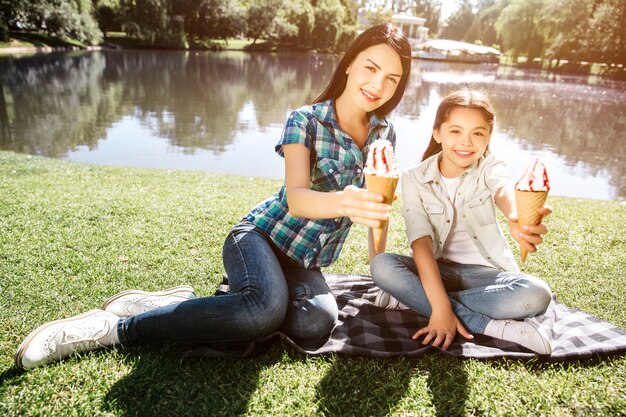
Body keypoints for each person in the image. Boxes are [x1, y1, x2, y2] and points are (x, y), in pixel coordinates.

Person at [14, 23, 413, 370]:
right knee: (262, 310)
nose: (377, 85)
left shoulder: (384, 134)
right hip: (259, 238)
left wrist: (382, 272)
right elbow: (297, 198)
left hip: (305, 261)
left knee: (315, 323)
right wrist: (345, 201)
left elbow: (380, 209)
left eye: (392, 79)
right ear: (349, 63)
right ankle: (112, 329)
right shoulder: (304, 120)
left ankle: (174, 302)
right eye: (371, 68)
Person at [371, 89, 554, 355]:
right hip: (437, 271)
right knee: (382, 265)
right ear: (438, 133)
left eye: (477, 133)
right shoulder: (413, 177)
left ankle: (413, 300)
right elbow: (420, 243)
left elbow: (503, 189)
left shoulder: (490, 166)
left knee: (536, 293)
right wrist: (441, 307)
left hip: (487, 275)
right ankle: (495, 327)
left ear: (488, 137)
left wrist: (515, 218)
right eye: (455, 131)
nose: (466, 142)